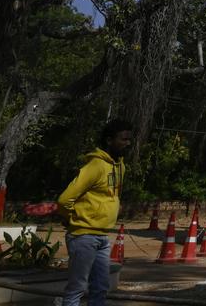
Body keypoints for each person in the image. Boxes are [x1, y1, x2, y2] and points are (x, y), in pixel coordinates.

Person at [57, 119, 134, 306]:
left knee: (100, 286)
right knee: (77, 288)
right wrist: (71, 220)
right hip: (83, 236)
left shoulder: (120, 167)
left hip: (102, 236)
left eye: (128, 139)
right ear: (109, 140)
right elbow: (64, 199)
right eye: (123, 139)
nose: (127, 143)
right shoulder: (95, 166)